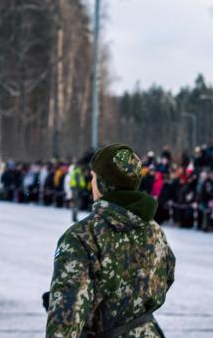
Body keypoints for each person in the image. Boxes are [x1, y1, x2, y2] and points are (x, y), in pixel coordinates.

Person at [45, 143, 174, 338]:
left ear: (103, 183)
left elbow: (66, 320)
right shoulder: (154, 230)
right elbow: (166, 276)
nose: (91, 183)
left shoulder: (83, 235)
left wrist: (69, 302)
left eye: (94, 177)